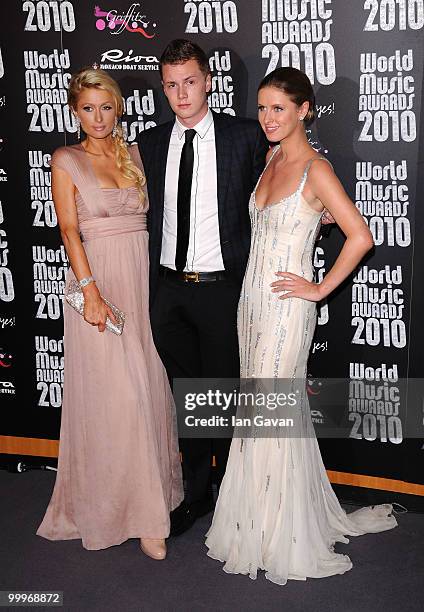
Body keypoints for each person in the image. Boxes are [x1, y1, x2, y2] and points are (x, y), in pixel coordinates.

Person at [205, 67, 398, 584]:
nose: (267, 118)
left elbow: (360, 236)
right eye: (263, 108)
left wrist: (316, 288)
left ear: (304, 110)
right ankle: (259, 520)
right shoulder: (271, 158)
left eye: (279, 109)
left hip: (289, 310)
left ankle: (277, 534)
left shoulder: (317, 169)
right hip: (252, 304)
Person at [37, 67, 183, 559]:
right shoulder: (65, 159)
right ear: (75, 112)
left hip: (144, 285)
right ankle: (133, 515)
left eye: (105, 107)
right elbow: (69, 232)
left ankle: (151, 503)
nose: (97, 118)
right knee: (116, 399)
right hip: (98, 284)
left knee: (150, 392)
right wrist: (90, 291)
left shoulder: (136, 155)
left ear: (117, 108)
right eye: (86, 108)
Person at [137, 39, 269, 536]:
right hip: (169, 292)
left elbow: (277, 199)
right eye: (171, 85)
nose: (181, 93)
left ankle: (237, 497)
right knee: (188, 397)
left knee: (227, 396)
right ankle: (196, 496)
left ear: (208, 81)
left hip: (221, 289)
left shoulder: (246, 137)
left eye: (189, 81)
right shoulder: (149, 144)